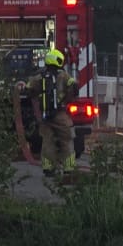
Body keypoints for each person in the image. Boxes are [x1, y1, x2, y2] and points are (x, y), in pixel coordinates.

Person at [37, 47, 77, 176]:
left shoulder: (39, 77)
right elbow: (73, 86)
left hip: (45, 115)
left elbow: (28, 89)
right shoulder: (63, 75)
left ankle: (48, 168)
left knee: (47, 141)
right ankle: (69, 168)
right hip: (60, 114)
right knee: (67, 139)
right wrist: (65, 100)